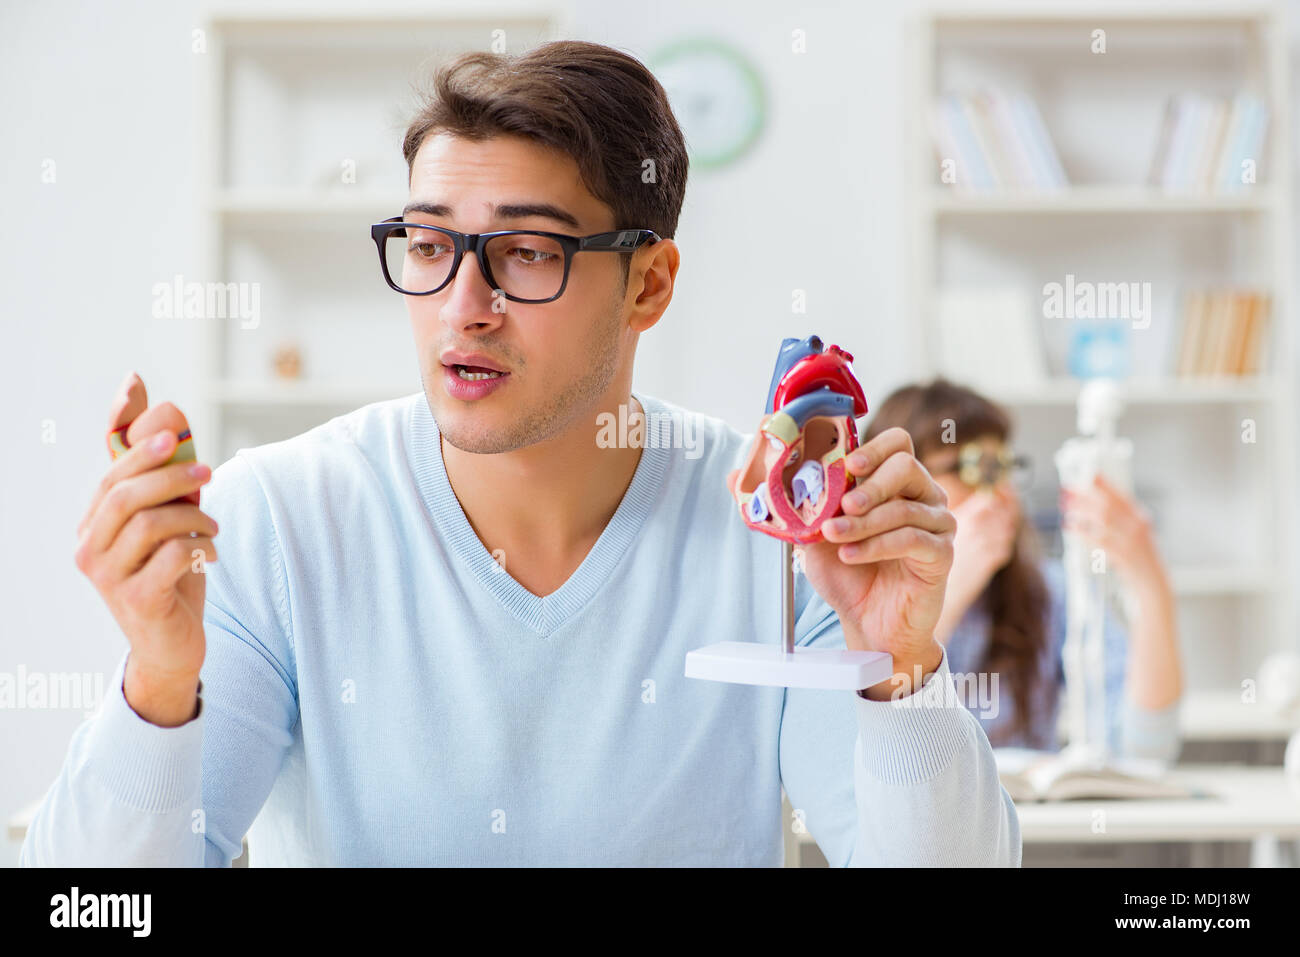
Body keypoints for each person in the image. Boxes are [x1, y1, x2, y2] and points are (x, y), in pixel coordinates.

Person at [22, 41, 1018, 867]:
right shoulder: (280, 520)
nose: (465, 306)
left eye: (529, 252)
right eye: (427, 245)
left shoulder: (784, 542)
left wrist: (900, 670)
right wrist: (157, 681)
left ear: (648, 285)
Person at [863, 379, 1182, 762]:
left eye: (1002, 467)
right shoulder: (855, 604)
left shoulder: (1050, 594)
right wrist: (946, 590)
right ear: (898, 487)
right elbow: (869, 753)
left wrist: (1150, 584)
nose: (998, 493)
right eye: (970, 469)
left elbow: (1144, 749)